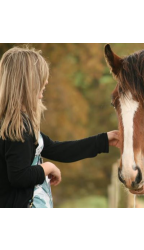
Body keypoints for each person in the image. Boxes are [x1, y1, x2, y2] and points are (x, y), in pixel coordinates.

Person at [0, 46, 120, 208]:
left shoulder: (21, 124)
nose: (47, 81)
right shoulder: (17, 127)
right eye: (42, 78)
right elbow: (19, 176)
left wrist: (105, 139)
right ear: (28, 83)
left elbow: (57, 149)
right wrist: (48, 167)